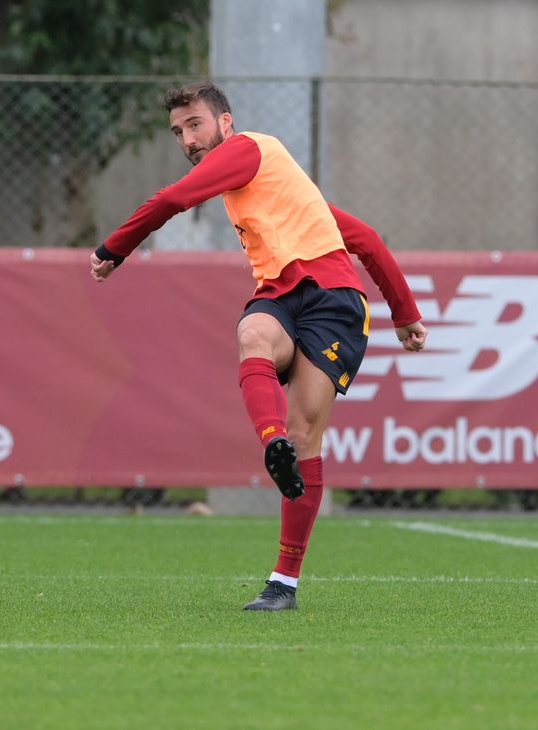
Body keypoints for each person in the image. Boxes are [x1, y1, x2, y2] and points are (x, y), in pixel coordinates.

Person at [89, 81, 428, 611]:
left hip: (334, 303)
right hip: (279, 296)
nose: (188, 139)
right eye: (178, 131)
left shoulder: (249, 148)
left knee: (307, 431)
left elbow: (176, 197)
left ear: (225, 122)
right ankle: (275, 446)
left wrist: (116, 247)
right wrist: (405, 315)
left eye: (195, 124)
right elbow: (365, 236)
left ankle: (283, 583)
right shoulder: (282, 189)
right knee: (252, 336)